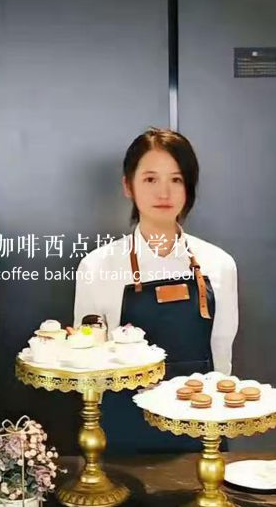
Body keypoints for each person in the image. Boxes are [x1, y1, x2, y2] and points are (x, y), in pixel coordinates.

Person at [73, 127, 239, 452]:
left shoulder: (219, 263)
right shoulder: (97, 266)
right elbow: (89, 360)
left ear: (189, 187)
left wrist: (218, 420)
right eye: (150, 179)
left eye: (176, 179)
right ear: (128, 186)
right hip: (125, 426)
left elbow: (222, 353)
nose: (164, 192)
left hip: (199, 421)